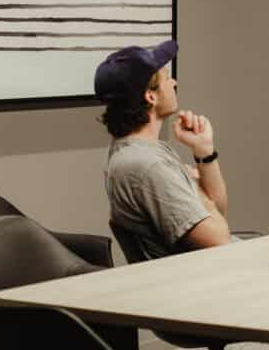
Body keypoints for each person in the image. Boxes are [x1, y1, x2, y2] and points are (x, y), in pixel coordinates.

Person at [96, 40, 232, 258]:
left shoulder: (136, 150)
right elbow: (219, 238)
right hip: (203, 279)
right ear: (151, 96)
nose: (174, 82)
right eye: (167, 77)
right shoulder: (148, 166)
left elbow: (219, 212)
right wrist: (196, 188)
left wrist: (203, 151)